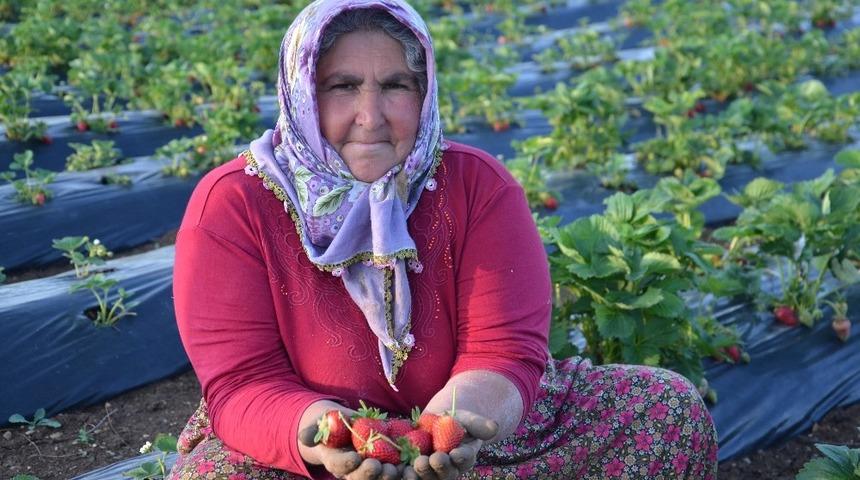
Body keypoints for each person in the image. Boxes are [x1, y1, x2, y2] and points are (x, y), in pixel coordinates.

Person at [169, 0, 718, 479]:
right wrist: (328, 437)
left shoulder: (476, 187)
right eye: (342, 87)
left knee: (664, 411)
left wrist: (452, 426)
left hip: (472, 443)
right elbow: (244, 381)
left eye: (395, 86)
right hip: (307, 449)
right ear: (303, 92)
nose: (371, 116)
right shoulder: (235, 204)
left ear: (424, 91)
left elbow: (503, 351)